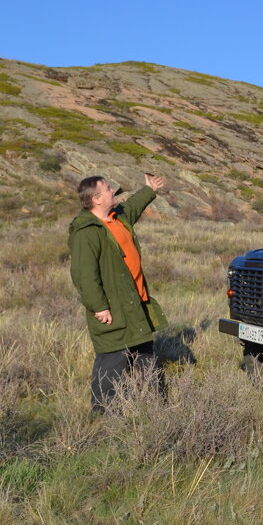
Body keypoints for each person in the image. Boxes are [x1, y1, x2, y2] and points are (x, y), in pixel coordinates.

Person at [68, 174, 168, 411]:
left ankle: (152, 407)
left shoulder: (118, 218)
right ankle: (103, 414)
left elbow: (132, 205)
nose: (113, 191)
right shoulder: (87, 231)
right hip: (113, 307)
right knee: (112, 358)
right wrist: (99, 306)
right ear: (96, 198)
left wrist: (148, 189)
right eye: (108, 189)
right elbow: (83, 274)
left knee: (144, 355)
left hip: (135, 302)